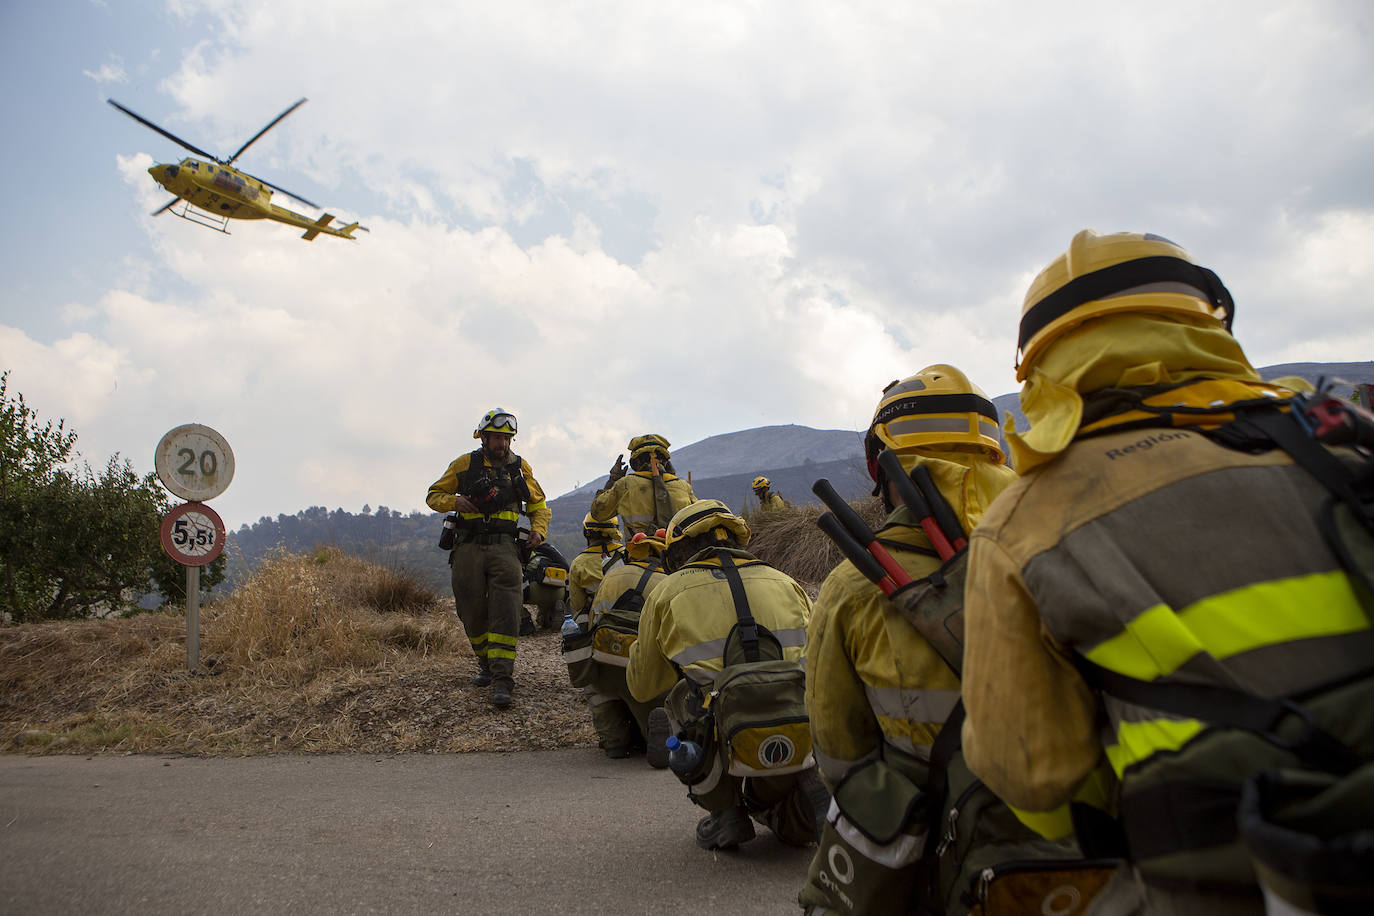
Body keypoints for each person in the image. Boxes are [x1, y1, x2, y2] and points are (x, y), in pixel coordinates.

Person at [959, 230, 1374, 914]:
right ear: (1210, 319)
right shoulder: (1333, 433)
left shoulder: (1022, 522)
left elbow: (1032, 774)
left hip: (1222, 871)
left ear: (1041, 369)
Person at [799, 365, 1053, 915]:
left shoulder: (852, 585)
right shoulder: (1065, 543)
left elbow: (839, 752)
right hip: (1082, 838)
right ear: (995, 455)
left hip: (934, 848)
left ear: (880, 468)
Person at [627, 499, 827, 851]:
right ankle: (805, 780)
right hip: (797, 717)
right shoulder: (786, 582)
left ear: (677, 553)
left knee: (676, 698)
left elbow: (644, 687)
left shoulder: (666, 593)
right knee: (795, 823)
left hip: (718, 725)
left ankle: (726, 812)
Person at [426, 407, 550, 709]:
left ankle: (502, 680)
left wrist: (538, 531)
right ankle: (485, 661)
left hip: (506, 548)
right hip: (468, 547)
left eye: (507, 439)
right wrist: (455, 501)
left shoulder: (521, 468)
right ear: (483, 437)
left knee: (507, 611)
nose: (502, 444)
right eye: (496, 438)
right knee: (470, 611)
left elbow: (539, 505)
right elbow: (433, 495)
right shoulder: (464, 464)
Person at [584, 530, 671, 763]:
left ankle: (614, 741)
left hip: (606, 663)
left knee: (597, 689)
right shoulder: (670, 583)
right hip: (646, 669)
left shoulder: (613, 575)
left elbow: (592, 622)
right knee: (661, 706)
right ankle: (657, 736)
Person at [590, 434, 696, 536]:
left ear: (637, 461)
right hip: (680, 553)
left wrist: (613, 479)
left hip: (641, 552)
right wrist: (671, 477)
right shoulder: (683, 486)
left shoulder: (626, 484)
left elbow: (598, 513)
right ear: (666, 462)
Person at [567, 513, 623, 631]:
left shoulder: (578, 563)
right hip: (629, 614)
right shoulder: (627, 553)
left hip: (598, 622)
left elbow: (577, 604)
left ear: (587, 533)